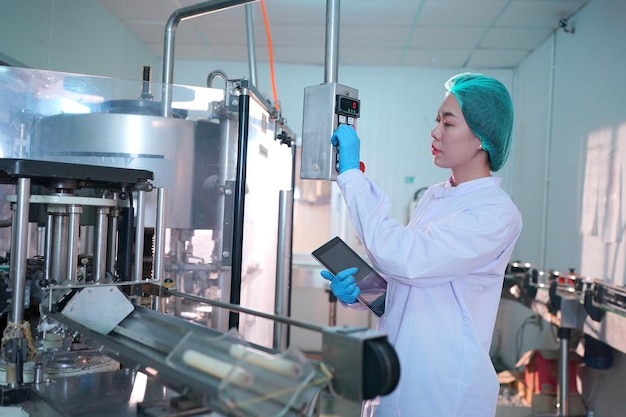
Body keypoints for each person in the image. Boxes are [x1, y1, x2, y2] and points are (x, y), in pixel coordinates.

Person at [321, 73, 522, 417]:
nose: (435, 132)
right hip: (398, 373)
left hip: (442, 390)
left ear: (481, 138)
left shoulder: (496, 213)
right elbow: (412, 284)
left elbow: (408, 259)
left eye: (448, 123)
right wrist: (365, 295)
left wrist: (352, 176)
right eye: (436, 121)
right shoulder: (436, 195)